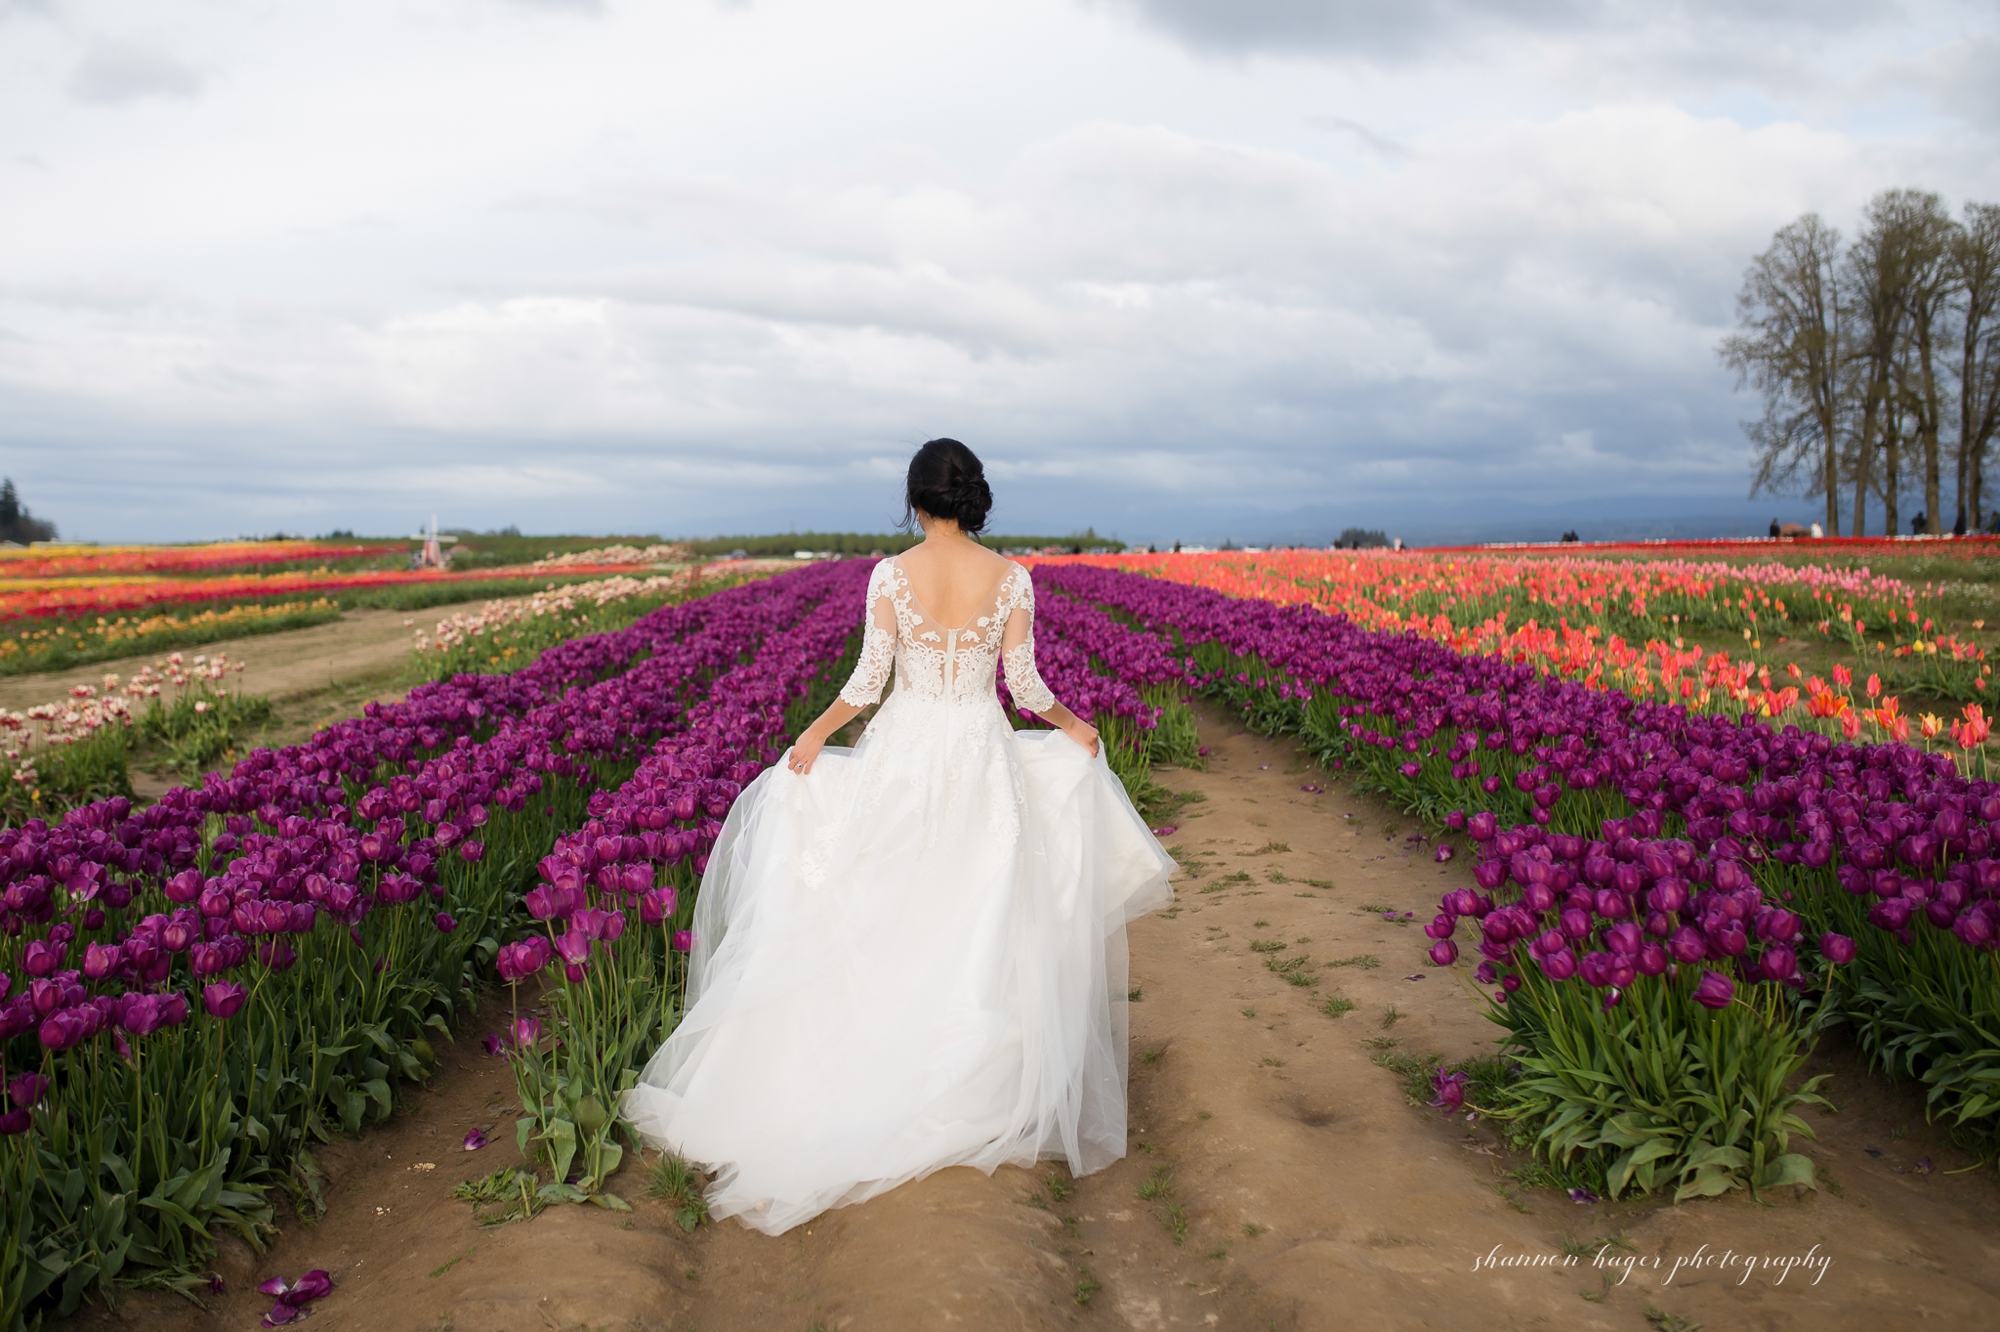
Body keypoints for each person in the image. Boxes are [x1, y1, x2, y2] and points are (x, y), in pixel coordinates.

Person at [623, 438, 1174, 1235]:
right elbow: (1023, 688)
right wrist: (1075, 725)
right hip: (979, 752)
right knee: (976, 905)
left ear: (915, 501)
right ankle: (966, 1070)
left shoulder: (890, 575)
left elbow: (867, 681)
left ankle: (874, 1059)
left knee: (895, 897)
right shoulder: (1012, 578)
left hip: (907, 751)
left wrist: (814, 735)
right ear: (973, 499)